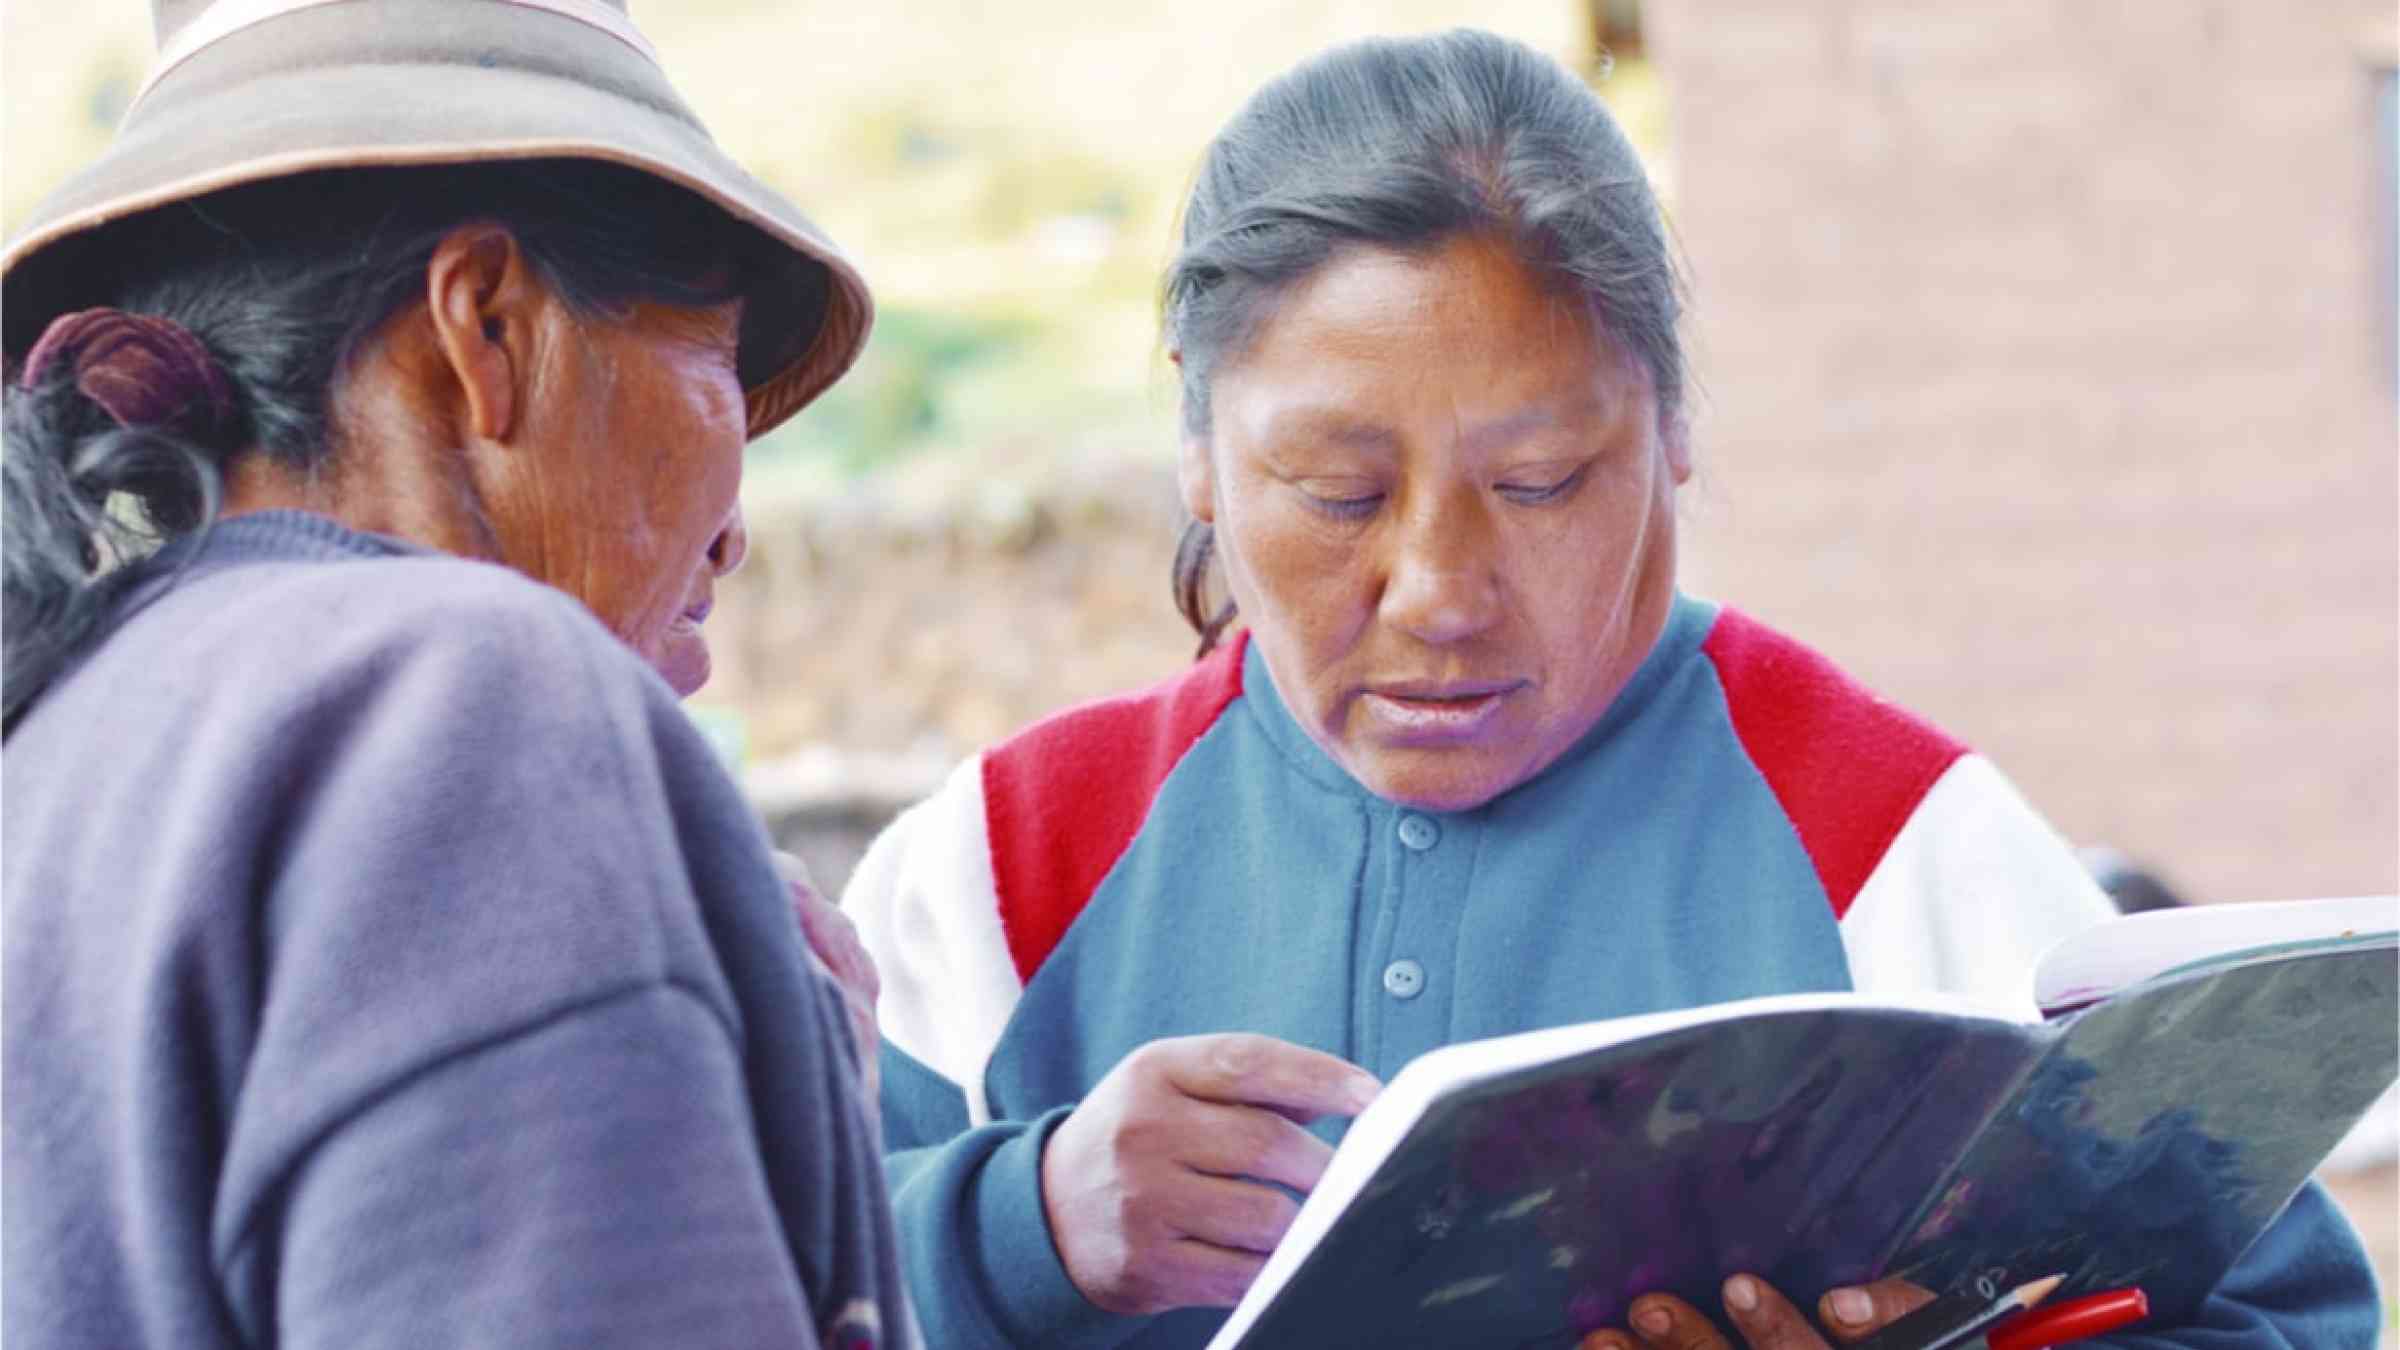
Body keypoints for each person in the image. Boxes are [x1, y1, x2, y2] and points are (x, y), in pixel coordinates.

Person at [842, 28, 2380, 1350]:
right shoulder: (997, 871)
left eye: (1542, 479)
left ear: (1675, 432)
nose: (1441, 593)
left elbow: (2297, 1312)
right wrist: (1018, 1227)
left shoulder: (1898, 843)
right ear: (1198, 457)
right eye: (1336, 491)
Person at [2, 2, 907, 1346]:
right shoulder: (467, 703)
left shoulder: (65, 733)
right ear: (487, 328)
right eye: (714, 357)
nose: (736, 527)